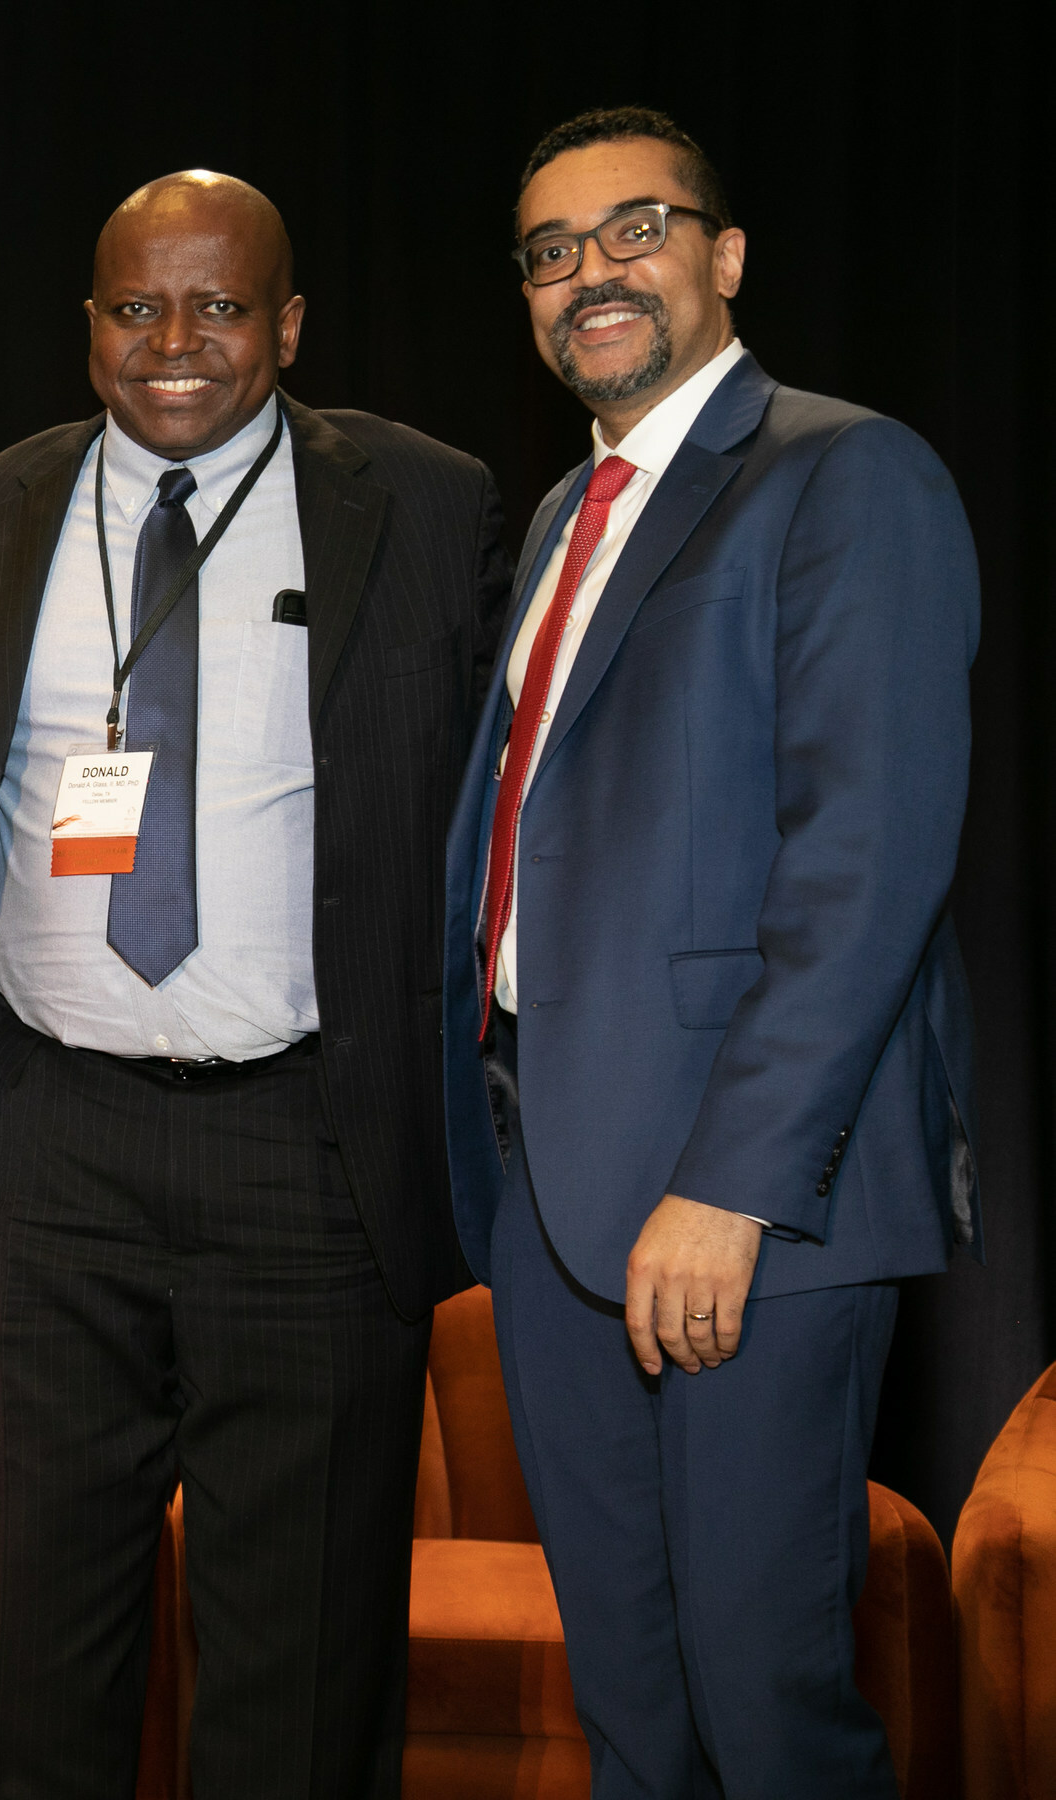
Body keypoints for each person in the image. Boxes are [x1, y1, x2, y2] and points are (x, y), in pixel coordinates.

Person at [0, 173, 512, 1796]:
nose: (174, 343)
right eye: (135, 308)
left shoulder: (428, 502)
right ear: (89, 327)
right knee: (41, 1647)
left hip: (308, 1155)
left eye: (218, 307)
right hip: (55, 1149)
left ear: (290, 324)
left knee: (301, 1675)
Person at [443, 108, 980, 1798]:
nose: (589, 271)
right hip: (554, 1201)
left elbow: (867, 865)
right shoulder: (557, 521)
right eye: (548, 251)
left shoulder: (847, 472)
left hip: (744, 1206)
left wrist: (733, 1185)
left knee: (769, 1716)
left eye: (634, 228)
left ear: (726, 258)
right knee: (635, 1715)